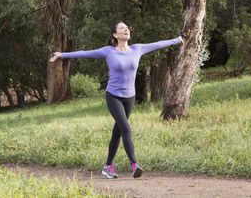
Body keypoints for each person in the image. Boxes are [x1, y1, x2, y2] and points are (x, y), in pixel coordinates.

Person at [49, 21, 183, 179]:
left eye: (127, 27)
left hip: (130, 97)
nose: (126, 29)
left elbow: (159, 44)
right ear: (115, 35)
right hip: (113, 96)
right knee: (126, 128)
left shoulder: (137, 49)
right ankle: (134, 165)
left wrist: (178, 39)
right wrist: (62, 55)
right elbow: (85, 53)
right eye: (122, 28)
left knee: (118, 132)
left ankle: (108, 166)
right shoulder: (108, 52)